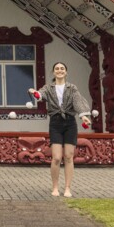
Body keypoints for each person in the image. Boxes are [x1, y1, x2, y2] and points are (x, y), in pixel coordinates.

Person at [29, 62, 91, 198]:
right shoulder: (48, 87)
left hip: (70, 123)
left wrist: (84, 117)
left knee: (68, 157)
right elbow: (41, 95)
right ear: (53, 72)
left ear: (66, 72)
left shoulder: (72, 88)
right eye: (57, 69)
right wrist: (35, 93)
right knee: (56, 158)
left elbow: (78, 102)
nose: (59, 70)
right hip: (55, 123)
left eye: (62, 68)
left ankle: (67, 188)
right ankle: (55, 187)